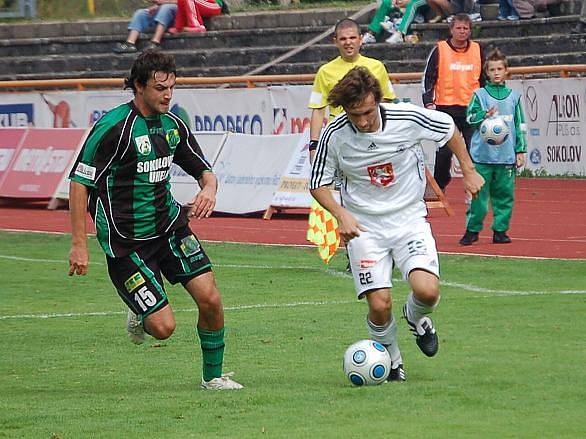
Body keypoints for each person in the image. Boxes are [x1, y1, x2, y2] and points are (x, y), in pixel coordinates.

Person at [68, 50, 243, 390]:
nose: (167, 95)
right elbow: (79, 183)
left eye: (172, 88)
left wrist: (209, 188)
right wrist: (79, 244)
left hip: (170, 227)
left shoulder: (173, 126)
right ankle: (140, 312)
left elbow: (202, 169)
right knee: (163, 328)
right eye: (160, 88)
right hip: (126, 242)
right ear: (138, 86)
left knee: (211, 298)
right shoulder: (113, 128)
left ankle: (213, 377)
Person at [310, 66, 484, 380]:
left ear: (377, 100)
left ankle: (416, 317)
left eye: (366, 112)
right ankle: (392, 361)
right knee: (379, 304)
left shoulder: (408, 118)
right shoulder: (334, 135)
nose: (362, 121)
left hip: (409, 220)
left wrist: (468, 170)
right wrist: (341, 214)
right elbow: (318, 183)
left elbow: (449, 131)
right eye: (354, 114)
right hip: (364, 226)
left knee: (427, 291)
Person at [307, 18, 397, 266]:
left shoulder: (376, 67)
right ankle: (356, 251)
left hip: (374, 142)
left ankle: (387, 246)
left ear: (361, 39)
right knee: (349, 196)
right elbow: (317, 109)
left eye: (352, 38)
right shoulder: (325, 72)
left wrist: (387, 138)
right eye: (343, 39)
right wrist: (314, 145)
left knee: (382, 191)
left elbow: (388, 102)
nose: (348, 43)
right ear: (335, 41)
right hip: (343, 145)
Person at [459, 49, 527, 246]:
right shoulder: (479, 95)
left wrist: (520, 150)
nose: (496, 73)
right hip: (482, 157)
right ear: (486, 72)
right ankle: (472, 230)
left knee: (504, 197)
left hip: (506, 157)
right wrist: (483, 116)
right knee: (478, 199)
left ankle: (500, 230)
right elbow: (470, 118)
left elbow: (519, 125)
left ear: (506, 71)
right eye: (492, 69)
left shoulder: (514, 97)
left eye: (500, 69)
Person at [422, 13, 484, 192]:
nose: (462, 32)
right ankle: (439, 186)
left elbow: (484, 78)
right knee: (444, 152)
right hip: (445, 109)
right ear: (451, 30)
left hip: (470, 109)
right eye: (459, 28)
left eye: (466, 28)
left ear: (470, 31)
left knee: (474, 150)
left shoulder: (478, 50)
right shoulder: (440, 49)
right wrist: (428, 102)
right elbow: (428, 78)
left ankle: (474, 188)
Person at [113, 0, 178, 54]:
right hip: (163, 9)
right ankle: (130, 43)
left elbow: (184, 2)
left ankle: (155, 43)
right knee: (141, 13)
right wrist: (156, 6)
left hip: (179, 14)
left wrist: (162, 3)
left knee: (166, 8)